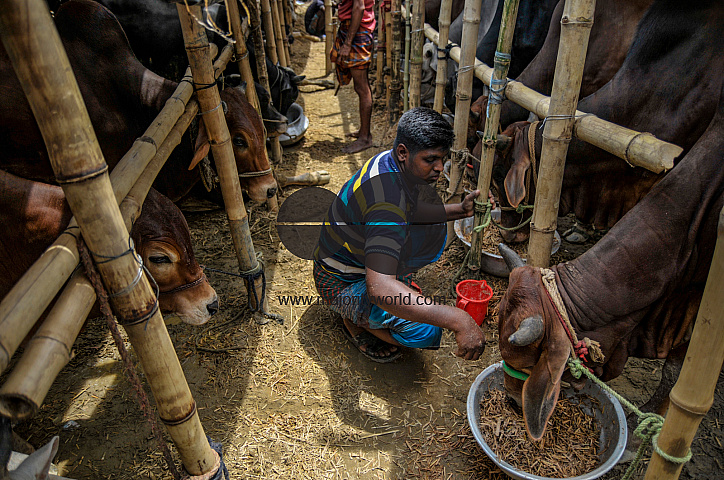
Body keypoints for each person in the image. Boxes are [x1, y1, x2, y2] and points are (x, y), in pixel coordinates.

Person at [313, 107, 485, 363]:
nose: (439, 168)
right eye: (430, 160)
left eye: (442, 159)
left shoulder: (390, 162)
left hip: (345, 267)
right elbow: (379, 289)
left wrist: (460, 210)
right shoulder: (386, 200)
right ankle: (355, 321)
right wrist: (459, 319)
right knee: (425, 331)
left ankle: (362, 310)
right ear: (404, 152)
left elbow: (409, 212)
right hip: (338, 284)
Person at [330, 0, 375, 153]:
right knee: (360, 87)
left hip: (357, 31)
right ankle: (363, 132)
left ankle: (365, 138)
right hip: (353, 28)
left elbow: (359, 7)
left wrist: (348, 43)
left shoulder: (356, 29)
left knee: (362, 87)